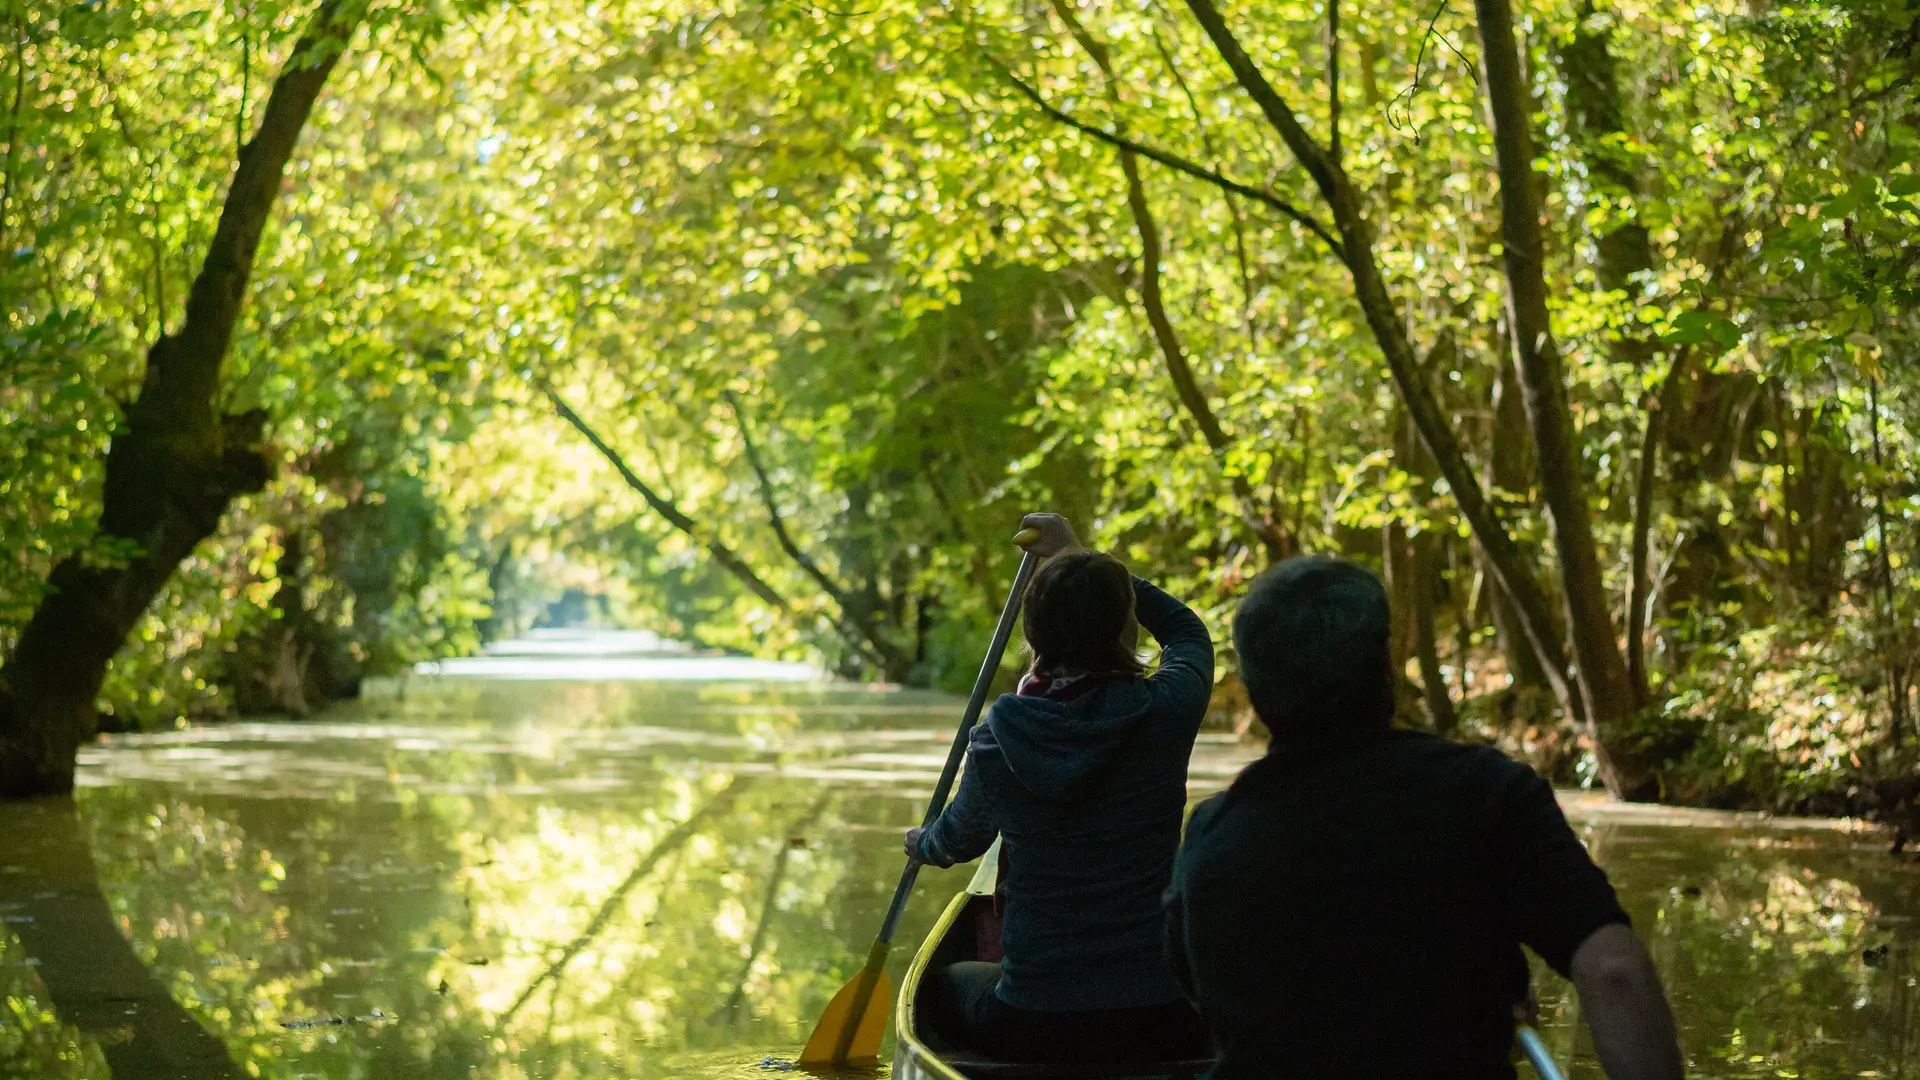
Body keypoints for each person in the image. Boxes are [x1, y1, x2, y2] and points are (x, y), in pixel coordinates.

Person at [1165, 556, 1686, 1080]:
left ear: (1255, 693)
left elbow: (1211, 996)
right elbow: (1614, 971)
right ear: (1385, 666)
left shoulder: (1212, 834)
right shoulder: (1489, 793)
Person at [903, 512, 1212, 1063]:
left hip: (1034, 1020)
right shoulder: (1167, 711)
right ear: (1128, 625)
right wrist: (1081, 557)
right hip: (1156, 1018)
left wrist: (920, 843)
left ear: (1031, 634)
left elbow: (957, 840)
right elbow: (1188, 631)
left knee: (946, 985)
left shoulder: (999, 736)